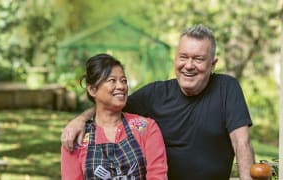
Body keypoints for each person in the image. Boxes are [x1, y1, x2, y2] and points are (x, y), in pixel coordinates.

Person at [61, 25, 254, 180]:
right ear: (175, 59)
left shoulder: (226, 88)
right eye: (183, 57)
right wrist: (81, 119)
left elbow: (241, 142)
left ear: (213, 64)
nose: (189, 65)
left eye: (198, 59)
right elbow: (110, 107)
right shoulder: (155, 93)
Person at [61, 53, 168, 180]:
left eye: (124, 81)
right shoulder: (76, 137)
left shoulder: (147, 128)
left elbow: (157, 176)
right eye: (112, 80)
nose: (121, 86)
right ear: (92, 90)